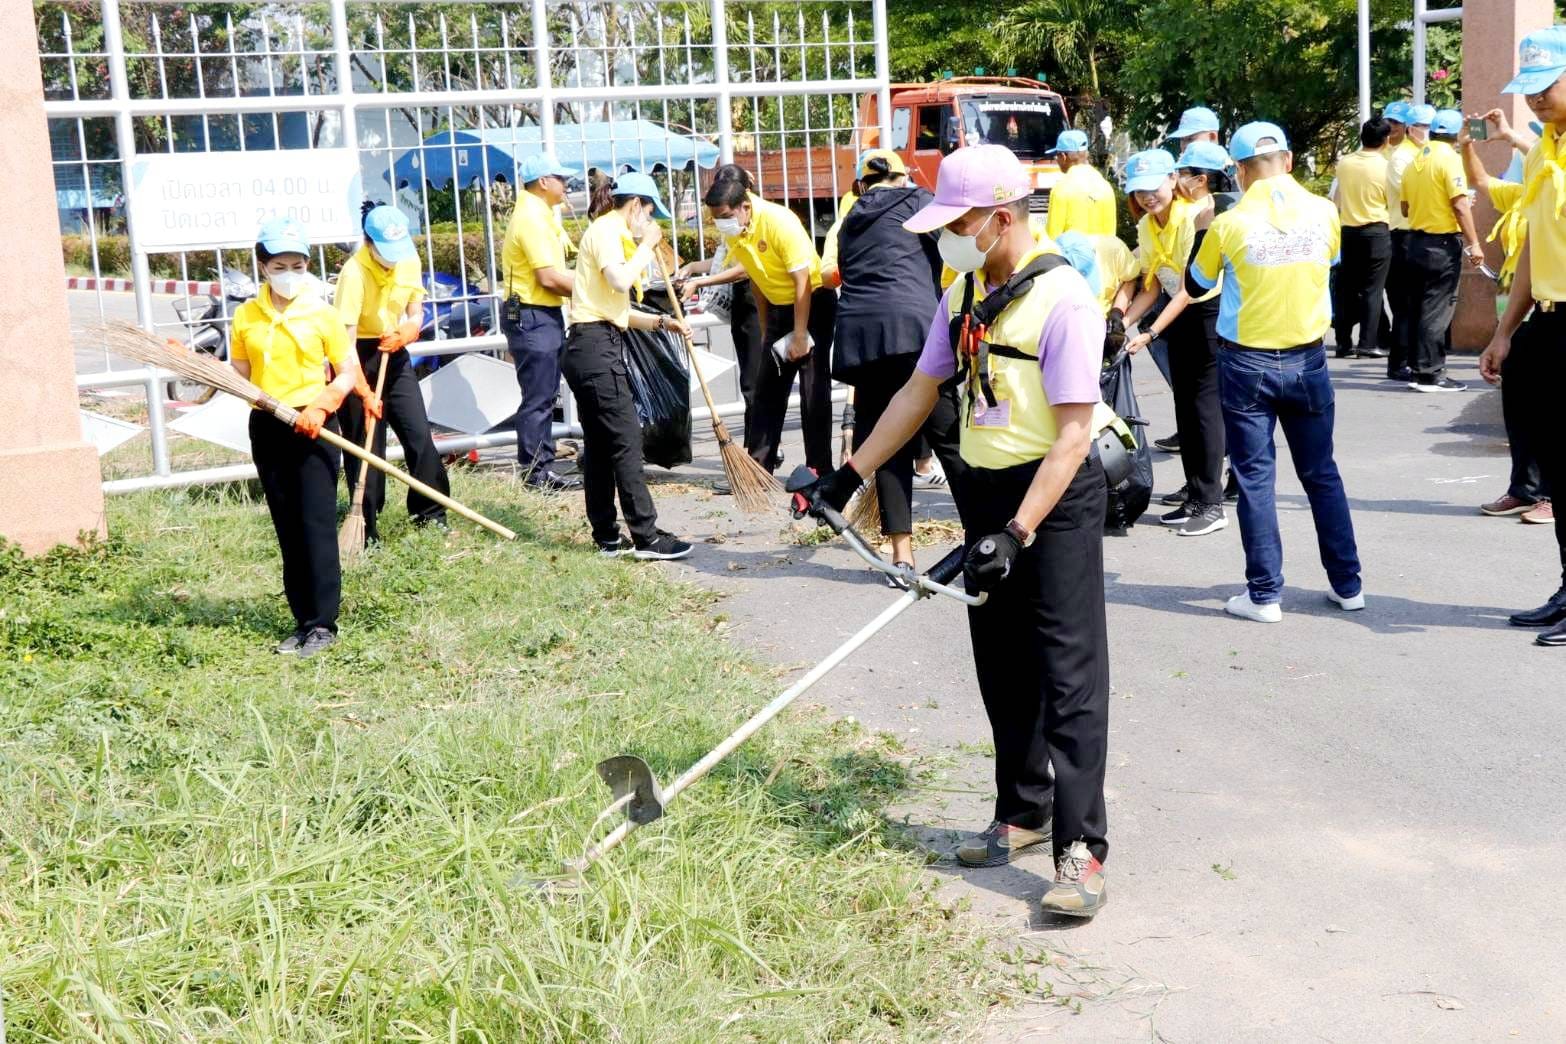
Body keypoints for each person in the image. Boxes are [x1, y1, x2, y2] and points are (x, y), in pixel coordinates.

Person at [798, 144, 1111, 918]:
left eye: (959, 222)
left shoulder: (1065, 300)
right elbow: (918, 389)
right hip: (985, 490)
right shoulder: (965, 289)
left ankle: (1081, 849)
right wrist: (850, 473)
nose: (948, 236)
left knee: (1068, 674)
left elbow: (1074, 434)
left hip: (1053, 499)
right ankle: (1024, 809)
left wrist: (1019, 531)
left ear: (1002, 218)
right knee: (1002, 666)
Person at [1186, 122, 1362, 624]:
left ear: (1239, 171)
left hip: (1247, 362)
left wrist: (1205, 230)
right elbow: (1332, 258)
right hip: (1308, 357)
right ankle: (1348, 584)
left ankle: (1264, 595)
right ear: (1287, 160)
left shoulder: (1230, 222)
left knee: (1255, 478)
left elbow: (1197, 283)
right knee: (1321, 473)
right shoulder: (1324, 211)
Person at [231, 217, 378, 657]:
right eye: (280, 265)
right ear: (263, 266)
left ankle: (322, 625)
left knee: (314, 523)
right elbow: (241, 374)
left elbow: (348, 370)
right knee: (288, 525)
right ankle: (300, 619)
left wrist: (322, 406)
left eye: (297, 264)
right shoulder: (246, 315)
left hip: (313, 424)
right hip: (268, 424)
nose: (290, 273)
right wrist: (200, 367)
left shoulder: (323, 314)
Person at [829, 148, 965, 575]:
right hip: (914, 333)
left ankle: (902, 557)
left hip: (863, 341)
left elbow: (838, 273)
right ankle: (985, 530)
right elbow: (951, 249)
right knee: (951, 439)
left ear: (861, 185)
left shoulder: (849, 220)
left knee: (889, 446)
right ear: (903, 177)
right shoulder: (919, 201)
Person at [1480, 26, 1566, 647]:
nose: (1535, 100)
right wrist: (1504, 331)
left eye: (1546, 86)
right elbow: (1535, 244)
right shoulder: (1543, 150)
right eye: (1528, 90)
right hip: (1549, 321)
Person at [564, 172, 694, 560]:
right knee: (625, 442)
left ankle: (606, 536)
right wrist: (647, 246)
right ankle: (647, 537)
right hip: (595, 350)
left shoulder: (610, 234)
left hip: (591, 345)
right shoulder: (606, 231)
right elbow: (620, 282)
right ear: (636, 205)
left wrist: (660, 322)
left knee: (603, 446)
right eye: (650, 212)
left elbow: (611, 307)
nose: (650, 223)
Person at [1122, 145, 1229, 536]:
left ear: (1173, 180)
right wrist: (1120, 321)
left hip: (1206, 315)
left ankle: (1212, 504)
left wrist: (1150, 331)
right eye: (1138, 190)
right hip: (1176, 316)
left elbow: (1188, 289)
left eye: (1154, 187)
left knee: (1205, 411)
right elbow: (1151, 286)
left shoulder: (1192, 218)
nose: (1148, 196)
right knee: (1185, 408)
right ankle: (1195, 497)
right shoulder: (1148, 226)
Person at [334, 204, 451, 544]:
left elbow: (415, 311)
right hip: (358, 356)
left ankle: (430, 513)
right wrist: (363, 390)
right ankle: (368, 527)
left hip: (394, 352)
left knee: (419, 435)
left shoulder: (408, 259)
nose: (393, 259)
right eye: (386, 252)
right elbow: (345, 342)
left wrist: (410, 330)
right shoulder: (353, 273)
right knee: (366, 446)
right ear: (368, 242)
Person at [704, 176, 836, 475]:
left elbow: (802, 281)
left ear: (745, 207)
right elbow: (756, 278)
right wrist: (766, 328)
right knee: (768, 389)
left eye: (725, 217)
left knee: (813, 389)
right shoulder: (737, 231)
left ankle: (819, 468)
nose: (721, 224)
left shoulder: (779, 222)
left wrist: (801, 334)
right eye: (716, 219)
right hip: (778, 308)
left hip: (811, 304)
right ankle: (759, 468)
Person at [1460, 113, 1550, 524]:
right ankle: (1526, 489)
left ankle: (1551, 493)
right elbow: (1481, 183)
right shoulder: (1523, 195)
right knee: (1520, 398)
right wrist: (1467, 147)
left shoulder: (1550, 173)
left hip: (1548, 300)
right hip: (1525, 301)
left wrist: (1513, 136)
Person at [499, 151, 583, 492]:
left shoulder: (542, 214)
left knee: (544, 393)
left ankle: (541, 465)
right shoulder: (532, 219)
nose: (566, 185)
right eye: (560, 179)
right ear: (543, 182)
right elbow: (549, 278)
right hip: (532, 313)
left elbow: (570, 258)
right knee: (539, 396)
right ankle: (536, 472)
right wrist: (595, 288)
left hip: (537, 313)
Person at [679, 164, 766, 493]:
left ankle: (757, 464)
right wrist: (692, 268)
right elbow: (724, 260)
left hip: (760, 307)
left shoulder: (758, 220)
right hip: (748, 309)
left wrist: (704, 279)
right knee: (754, 387)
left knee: (754, 387)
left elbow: (745, 267)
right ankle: (761, 455)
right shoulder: (738, 224)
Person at [1400, 108, 1487, 391]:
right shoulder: (1450, 160)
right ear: (1455, 134)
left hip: (1414, 241)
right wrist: (1474, 244)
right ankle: (1431, 373)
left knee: (1418, 307)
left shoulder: (1417, 160)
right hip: (1440, 245)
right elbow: (1460, 205)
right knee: (1437, 311)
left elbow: (1405, 206)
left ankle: (1416, 369)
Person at [1331, 118, 1393, 360]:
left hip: (1348, 231)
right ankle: (1367, 343)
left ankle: (1343, 343)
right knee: (1372, 290)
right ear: (1386, 140)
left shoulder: (1345, 163)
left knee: (1346, 289)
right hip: (1377, 231)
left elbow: (1337, 199)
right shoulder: (1386, 166)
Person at [1385, 102, 1431, 383]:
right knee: (1404, 304)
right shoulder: (1402, 158)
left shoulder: (1422, 154)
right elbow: (1412, 197)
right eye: (1423, 127)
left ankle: (1413, 359)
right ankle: (1399, 362)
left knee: (1417, 303)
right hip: (1404, 234)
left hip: (1419, 232)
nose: (1427, 132)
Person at [1044, 129, 1116, 240]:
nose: (1056, 159)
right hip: (1101, 256)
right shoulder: (1105, 187)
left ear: (1063, 156)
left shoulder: (1061, 189)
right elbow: (1111, 237)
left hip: (1068, 257)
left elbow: (1051, 239)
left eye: (1057, 156)